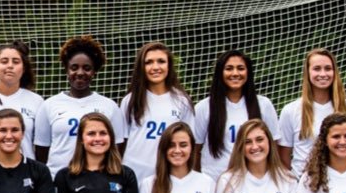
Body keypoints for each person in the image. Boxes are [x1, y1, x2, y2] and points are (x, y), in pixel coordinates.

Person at [34, 35, 124, 174]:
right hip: (58, 181)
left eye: (87, 68)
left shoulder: (110, 106)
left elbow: (117, 148)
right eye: (74, 67)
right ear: (67, 70)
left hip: (97, 182)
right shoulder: (49, 105)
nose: (80, 73)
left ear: (94, 72)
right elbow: (41, 151)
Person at [193, 50, 280, 180]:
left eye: (240, 68)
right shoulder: (204, 107)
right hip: (215, 181)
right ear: (220, 73)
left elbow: (274, 146)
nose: (235, 73)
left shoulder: (264, 105)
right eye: (229, 68)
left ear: (248, 73)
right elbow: (195, 149)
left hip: (253, 182)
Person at [277, 49, 346, 176]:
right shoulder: (290, 110)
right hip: (303, 184)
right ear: (307, 72)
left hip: (340, 184)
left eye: (328, 68)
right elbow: (283, 158)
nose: (323, 74)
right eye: (317, 68)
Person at [120, 42, 194, 181]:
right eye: (149, 62)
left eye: (161, 61)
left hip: (168, 175)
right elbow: (121, 142)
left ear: (169, 66)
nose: (155, 67)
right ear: (141, 67)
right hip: (134, 174)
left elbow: (189, 143)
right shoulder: (130, 101)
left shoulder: (182, 101)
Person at [0, 40, 42, 159]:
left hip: (24, 173)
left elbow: (41, 145)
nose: (10, 66)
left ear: (23, 68)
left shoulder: (37, 102)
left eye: (16, 62)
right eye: (4, 61)